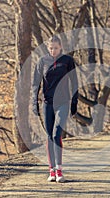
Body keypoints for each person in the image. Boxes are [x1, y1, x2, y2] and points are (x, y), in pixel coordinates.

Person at [32, 36, 78, 183]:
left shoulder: (67, 61)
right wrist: (34, 103)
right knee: (49, 136)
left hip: (63, 102)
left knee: (57, 133)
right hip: (47, 103)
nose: (53, 51)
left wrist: (74, 102)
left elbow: (75, 82)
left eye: (56, 48)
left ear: (61, 47)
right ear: (47, 47)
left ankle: (59, 170)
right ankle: (51, 170)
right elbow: (35, 84)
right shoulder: (42, 62)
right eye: (51, 48)